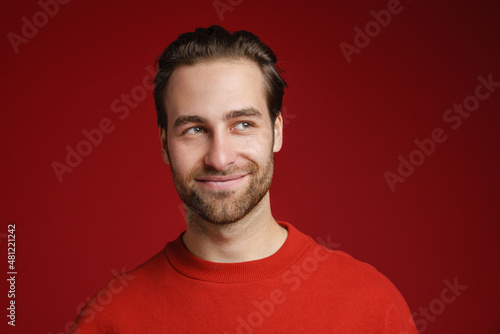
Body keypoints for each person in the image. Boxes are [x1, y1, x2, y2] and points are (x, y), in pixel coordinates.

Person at [71, 25, 417, 333]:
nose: (220, 158)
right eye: (194, 129)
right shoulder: (111, 320)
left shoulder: (371, 306)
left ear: (277, 131)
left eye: (243, 124)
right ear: (164, 144)